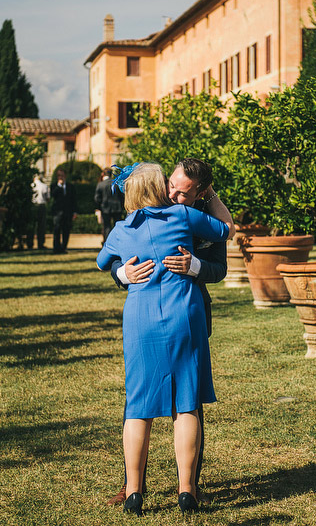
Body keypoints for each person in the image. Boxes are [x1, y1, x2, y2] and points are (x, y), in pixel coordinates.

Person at [96, 163, 234, 515]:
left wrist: (194, 266)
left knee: (139, 405)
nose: (173, 193)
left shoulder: (123, 227)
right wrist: (123, 273)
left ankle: (136, 492)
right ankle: (185, 492)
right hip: (181, 314)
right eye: (169, 186)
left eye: (183, 191)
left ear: (200, 192)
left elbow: (100, 260)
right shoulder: (184, 216)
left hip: (143, 319)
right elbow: (226, 229)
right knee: (186, 402)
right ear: (160, 185)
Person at [94, 167, 125, 243]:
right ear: (111, 174)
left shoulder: (100, 184)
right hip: (117, 208)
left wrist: (99, 207)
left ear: (103, 174)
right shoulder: (117, 183)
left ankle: (108, 243)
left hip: (105, 209)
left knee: (107, 227)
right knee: (117, 226)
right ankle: (118, 242)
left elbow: (97, 198)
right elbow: (122, 197)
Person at [50, 169, 77, 254]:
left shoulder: (70, 186)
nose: (61, 177)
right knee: (56, 230)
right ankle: (56, 248)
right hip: (57, 212)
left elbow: (74, 200)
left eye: (62, 175)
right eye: (59, 176)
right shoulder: (54, 186)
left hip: (67, 212)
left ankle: (63, 248)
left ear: (65, 176)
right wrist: (59, 186)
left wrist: (75, 212)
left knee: (66, 230)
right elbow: (52, 195)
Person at [28, 173, 50, 250]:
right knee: (41, 226)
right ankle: (40, 243)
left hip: (33, 205)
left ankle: (29, 243)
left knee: (31, 225)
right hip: (41, 205)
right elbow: (48, 198)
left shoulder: (31, 185)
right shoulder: (44, 186)